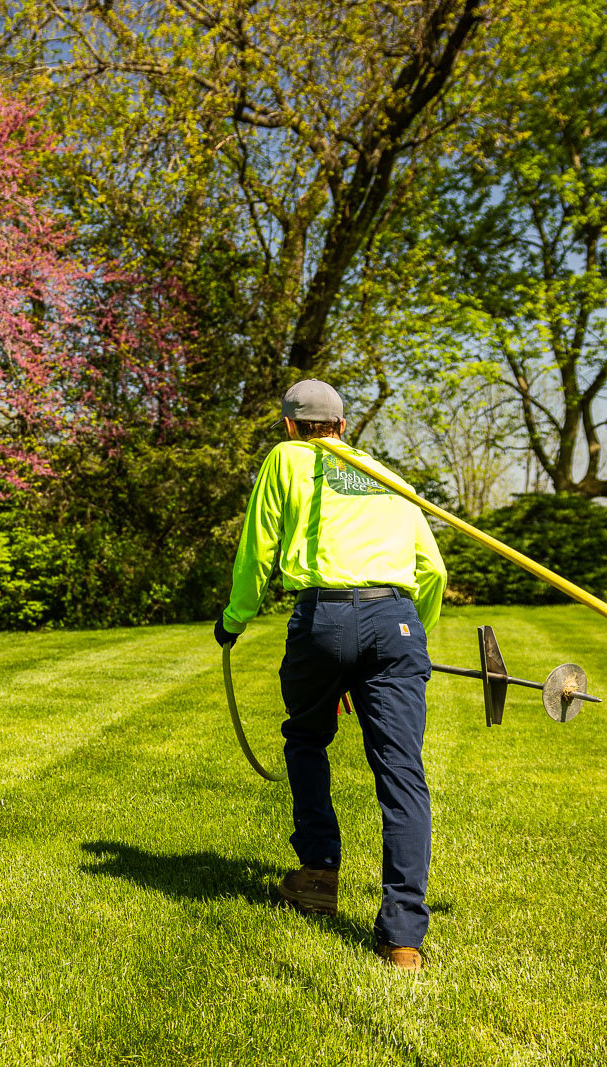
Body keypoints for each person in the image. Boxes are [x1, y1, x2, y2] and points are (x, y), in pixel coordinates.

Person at [214, 379, 446, 972]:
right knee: (402, 772)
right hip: (396, 617)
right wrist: (407, 638)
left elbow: (259, 548)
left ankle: (317, 877)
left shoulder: (285, 459)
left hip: (322, 618)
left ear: (291, 424)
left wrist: (234, 619)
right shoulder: (386, 474)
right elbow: (433, 571)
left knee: (308, 740)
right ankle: (403, 940)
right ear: (342, 426)